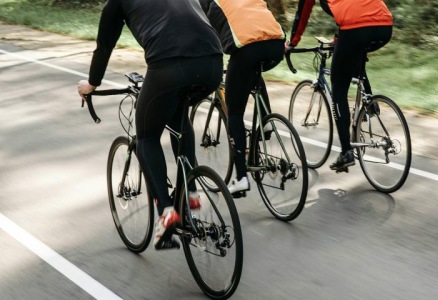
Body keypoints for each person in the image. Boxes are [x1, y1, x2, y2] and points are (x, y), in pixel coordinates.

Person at [77, 0, 223, 249]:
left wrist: (92, 84)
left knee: (146, 137)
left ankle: (167, 213)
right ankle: (191, 192)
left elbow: (104, 47)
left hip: (169, 65)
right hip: (213, 63)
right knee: (179, 117)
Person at [287, 0, 393, 172]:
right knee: (353, 55)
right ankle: (370, 103)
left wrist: (292, 42)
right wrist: (339, 39)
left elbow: (303, 13)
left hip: (355, 29)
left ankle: (346, 152)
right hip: (384, 25)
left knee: (338, 88)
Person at [198, 0, 285, 197]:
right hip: (277, 45)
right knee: (253, 72)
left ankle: (241, 177)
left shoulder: (208, 3)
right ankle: (266, 121)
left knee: (234, 113)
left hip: (247, 50)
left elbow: (205, 34)